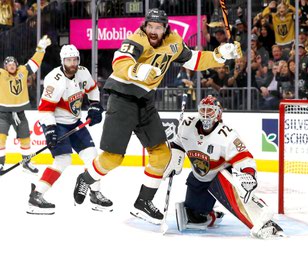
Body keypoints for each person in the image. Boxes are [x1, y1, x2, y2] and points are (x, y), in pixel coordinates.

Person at [72, 8, 242, 225]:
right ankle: (85, 179)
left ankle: (143, 202)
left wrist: (219, 55)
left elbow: (194, 60)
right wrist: (136, 71)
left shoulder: (173, 42)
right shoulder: (137, 39)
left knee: (162, 155)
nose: (153, 31)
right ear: (145, 26)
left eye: (158, 27)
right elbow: (120, 61)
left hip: (145, 101)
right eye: (150, 26)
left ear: (165, 28)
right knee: (112, 159)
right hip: (122, 99)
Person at [163, 95, 284, 238]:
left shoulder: (227, 135)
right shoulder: (187, 125)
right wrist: (174, 157)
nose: (206, 114)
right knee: (194, 217)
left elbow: (244, 157)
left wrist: (249, 174)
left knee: (233, 184)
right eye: (203, 110)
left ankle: (262, 220)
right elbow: (177, 143)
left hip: (219, 179)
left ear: (218, 113)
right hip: (198, 180)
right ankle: (213, 214)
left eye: (211, 111)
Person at [27, 44, 112, 215]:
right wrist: (50, 130)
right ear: (62, 61)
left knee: (92, 157)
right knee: (63, 160)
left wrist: (95, 105)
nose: (72, 63)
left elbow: (93, 89)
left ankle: (95, 194)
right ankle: (36, 196)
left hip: (74, 122)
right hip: (55, 123)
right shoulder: (54, 80)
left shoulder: (83, 72)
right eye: (68, 60)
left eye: (75, 59)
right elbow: (45, 110)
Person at [0, 35, 51, 173]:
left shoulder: (23, 71)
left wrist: (41, 49)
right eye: (8, 64)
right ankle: (0, 163)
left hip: (20, 112)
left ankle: (26, 163)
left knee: (25, 138)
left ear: (16, 65)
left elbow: (34, 62)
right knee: (0, 138)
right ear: (5, 67)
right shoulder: (1, 75)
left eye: (13, 63)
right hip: (3, 113)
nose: (11, 65)